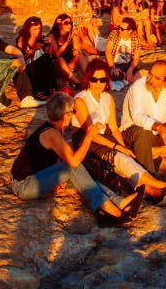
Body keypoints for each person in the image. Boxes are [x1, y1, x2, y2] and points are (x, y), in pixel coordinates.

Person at [10, 92, 145, 226]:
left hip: (38, 179)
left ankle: (119, 202)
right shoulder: (51, 133)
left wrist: (56, 179)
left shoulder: (55, 129)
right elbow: (73, 162)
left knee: (83, 171)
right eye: (73, 112)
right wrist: (89, 135)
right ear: (66, 115)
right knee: (72, 167)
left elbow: (59, 159)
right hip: (24, 185)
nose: (74, 114)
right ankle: (104, 206)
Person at [72, 59, 166, 204]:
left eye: (102, 79)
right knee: (121, 160)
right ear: (88, 79)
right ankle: (165, 186)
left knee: (129, 158)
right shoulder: (80, 100)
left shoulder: (108, 98)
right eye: (94, 79)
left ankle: (154, 193)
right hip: (88, 142)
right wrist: (118, 148)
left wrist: (123, 147)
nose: (98, 83)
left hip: (106, 138)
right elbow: (90, 133)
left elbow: (114, 128)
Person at [105, 16, 142, 87]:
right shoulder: (114, 34)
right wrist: (113, 67)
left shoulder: (136, 39)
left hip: (127, 64)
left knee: (142, 73)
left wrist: (131, 69)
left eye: (122, 29)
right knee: (114, 75)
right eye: (119, 27)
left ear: (130, 31)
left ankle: (125, 78)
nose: (119, 30)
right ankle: (126, 78)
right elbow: (108, 51)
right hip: (114, 63)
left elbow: (136, 58)